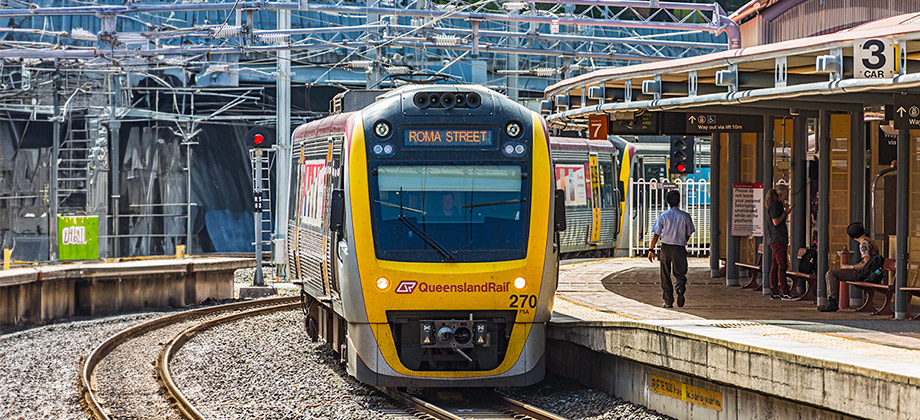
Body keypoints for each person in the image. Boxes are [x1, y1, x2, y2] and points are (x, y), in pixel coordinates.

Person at [647, 190, 696, 308]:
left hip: (665, 248)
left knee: (665, 274)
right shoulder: (686, 216)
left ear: (667, 201)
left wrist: (651, 249)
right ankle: (679, 286)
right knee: (680, 272)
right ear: (679, 201)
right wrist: (683, 240)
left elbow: (656, 234)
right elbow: (689, 233)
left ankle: (668, 300)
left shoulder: (663, 216)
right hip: (679, 248)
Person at [818, 221, 879, 312]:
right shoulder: (870, 241)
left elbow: (866, 265)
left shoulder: (863, 244)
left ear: (852, 236)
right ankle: (832, 301)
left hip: (864, 274)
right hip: (871, 272)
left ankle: (832, 302)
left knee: (831, 274)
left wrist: (850, 267)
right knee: (833, 273)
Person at [764, 185, 795, 300]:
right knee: (782, 265)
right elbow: (776, 222)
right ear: (781, 194)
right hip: (777, 238)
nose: (786, 198)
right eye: (786, 195)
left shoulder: (775, 205)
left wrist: (785, 212)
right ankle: (784, 291)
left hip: (775, 238)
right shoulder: (774, 206)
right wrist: (785, 212)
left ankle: (775, 291)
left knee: (775, 265)